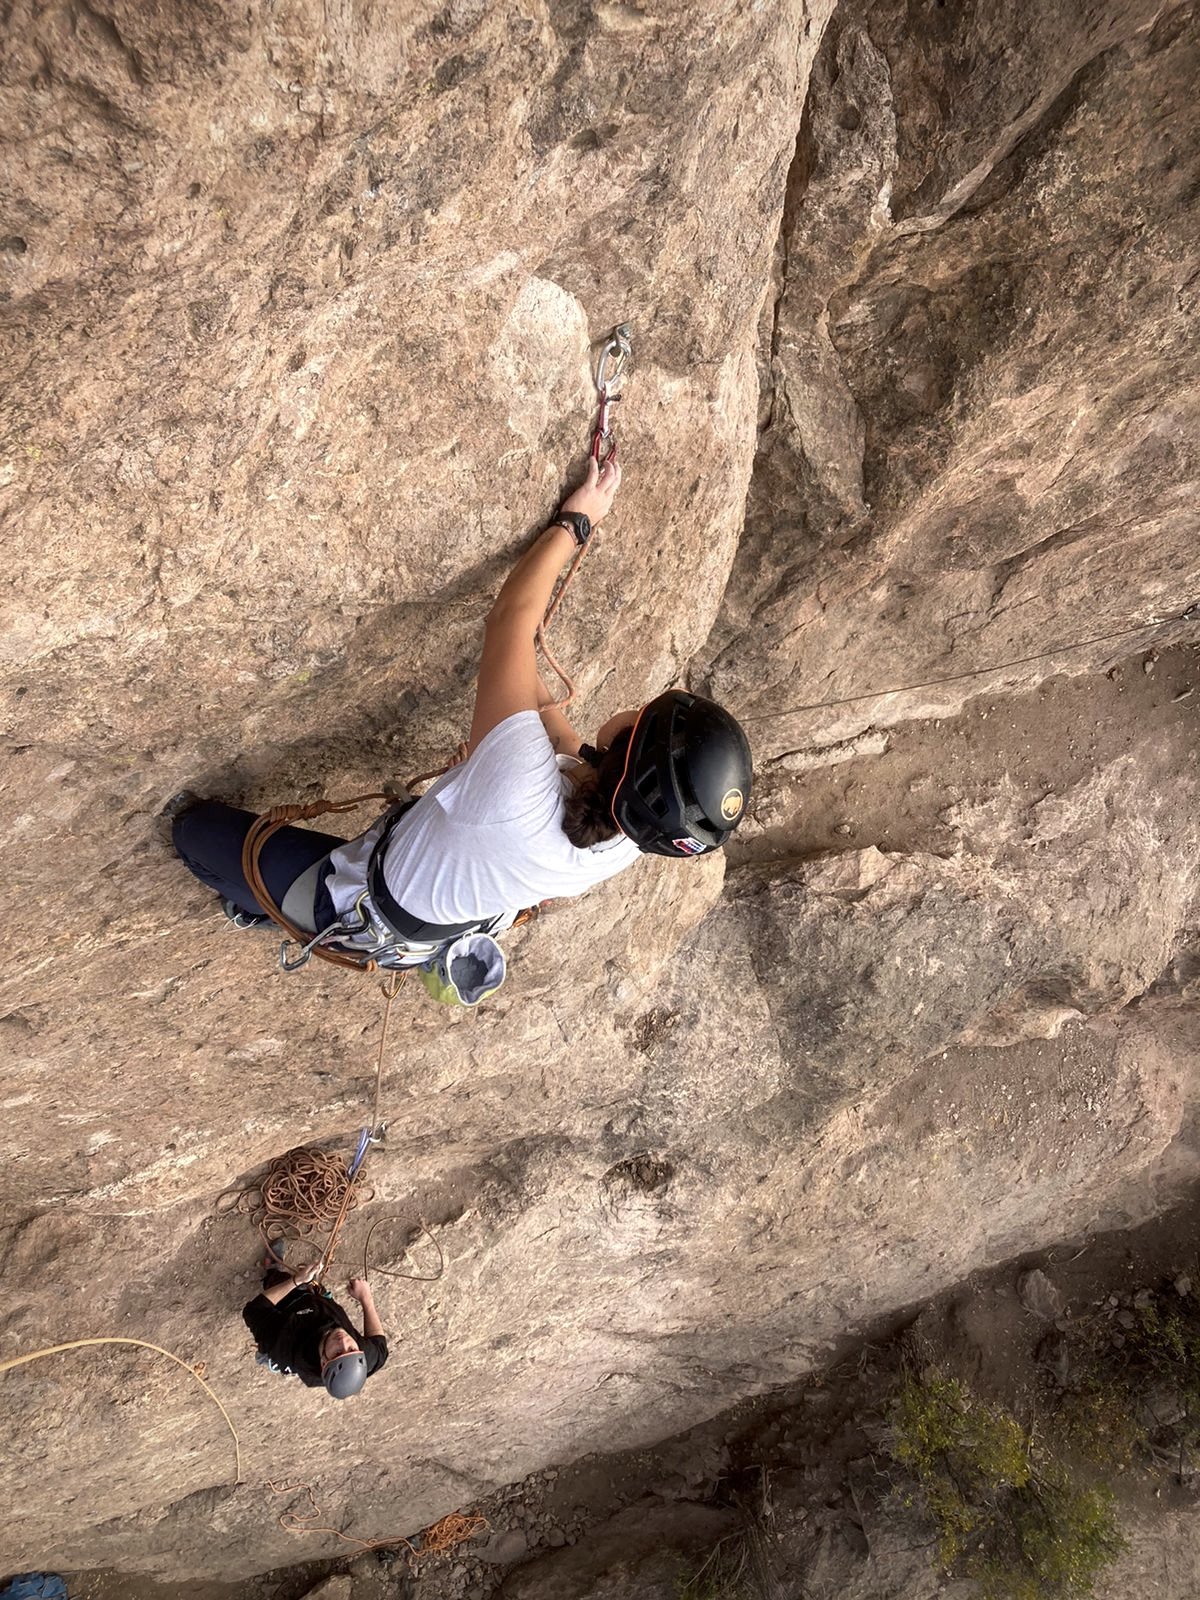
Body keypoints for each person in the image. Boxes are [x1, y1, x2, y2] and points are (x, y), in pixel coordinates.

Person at [169, 456, 753, 967]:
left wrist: (577, 524)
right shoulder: (628, 835)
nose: (637, 704)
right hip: (430, 919)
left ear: (628, 751)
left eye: (643, 714)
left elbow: (506, 623)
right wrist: (510, 722)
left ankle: (266, 911)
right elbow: (562, 738)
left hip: (352, 900)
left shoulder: (522, 784)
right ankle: (277, 908)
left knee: (193, 831)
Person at [243, 1249, 387, 1398]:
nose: (343, 1341)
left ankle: (272, 1270)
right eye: (351, 1348)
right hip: (322, 1305)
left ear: (323, 1362)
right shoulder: (363, 1357)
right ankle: (315, 1291)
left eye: (337, 1352)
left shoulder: (285, 1344)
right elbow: (380, 1347)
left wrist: (296, 1281)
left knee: (279, 1282)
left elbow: (254, 1310)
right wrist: (366, 1298)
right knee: (316, 1293)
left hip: (290, 1309)